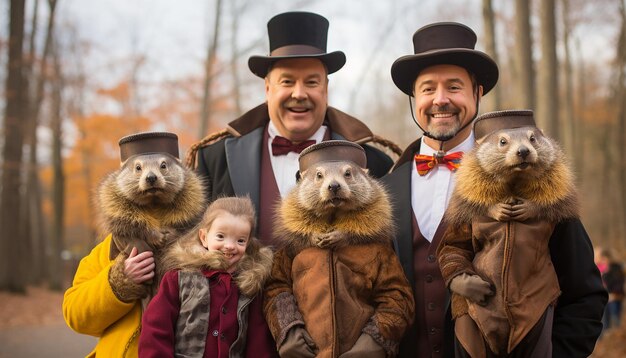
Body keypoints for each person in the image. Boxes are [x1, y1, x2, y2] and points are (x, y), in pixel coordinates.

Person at [383, 22, 607, 357]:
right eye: (428, 88)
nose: (440, 100)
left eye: (454, 87)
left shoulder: (534, 179)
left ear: (478, 92)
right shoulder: (384, 190)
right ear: (414, 98)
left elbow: (585, 294)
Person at [186, 11, 398, 248]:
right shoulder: (214, 159)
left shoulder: (374, 162)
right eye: (287, 82)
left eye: (311, 82)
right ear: (267, 89)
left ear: (325, 89)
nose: (299, 94)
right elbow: (191, 244)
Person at [139, 196, 277, 357]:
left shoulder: (249, 286)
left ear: (248, 244)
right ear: (204, 237)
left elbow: (258, 341)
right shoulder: (179, 278)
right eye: (220, 236)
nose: (230, 246)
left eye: (240, 240)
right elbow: (156, 328)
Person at [597, 248, 625, 331]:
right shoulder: (603, 270)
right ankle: (607, 339)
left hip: (615, 297)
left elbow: (620, 283)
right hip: (605, 299)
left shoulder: (616, 268)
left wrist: (613, 294)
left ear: (608, 258)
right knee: (605, 323)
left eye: (604, 259)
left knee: (616, 319)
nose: (603, 261)